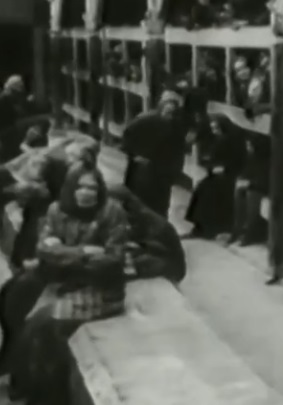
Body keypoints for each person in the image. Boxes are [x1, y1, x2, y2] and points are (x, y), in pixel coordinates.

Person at [9, 163, 128, 405]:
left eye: (92, 188)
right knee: (26, 318)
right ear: (70, 188)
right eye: (80, 187)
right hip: (65, 283)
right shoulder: (57, 209)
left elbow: (112, 260)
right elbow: (43, 250)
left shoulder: (112, 212)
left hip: (100, 290)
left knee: (45, 326)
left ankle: (49, 397)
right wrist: (84, 252)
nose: (86, 193)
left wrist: (62, 252)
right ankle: (28, 388)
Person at [123, 89, 187, 217]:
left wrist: (174, 172)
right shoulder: (145, 119)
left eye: (172, 110)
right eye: (167, 109)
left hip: (162, 171)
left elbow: (179, 151)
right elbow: (128, 135)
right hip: (144, 169)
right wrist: (135, 155)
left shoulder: (177, 126)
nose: (168, 113)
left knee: (159, 204)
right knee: (140, 200)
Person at [108, 184, 186, 284]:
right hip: (150, 252)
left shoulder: (145, 221)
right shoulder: (131, 214)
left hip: (165, 264)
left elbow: (144, 248)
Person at [185, 114, 247, 238]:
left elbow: (239, 160)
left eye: (216, 128)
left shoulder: (234, 140)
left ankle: (208, 228)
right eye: (212, 128)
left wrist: (224, 168)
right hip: (219, 173)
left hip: (232, 174)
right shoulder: (220, 139)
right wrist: (213, 166)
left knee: (209, 190)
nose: (214, 131)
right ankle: (200, 227)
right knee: (202, 188)